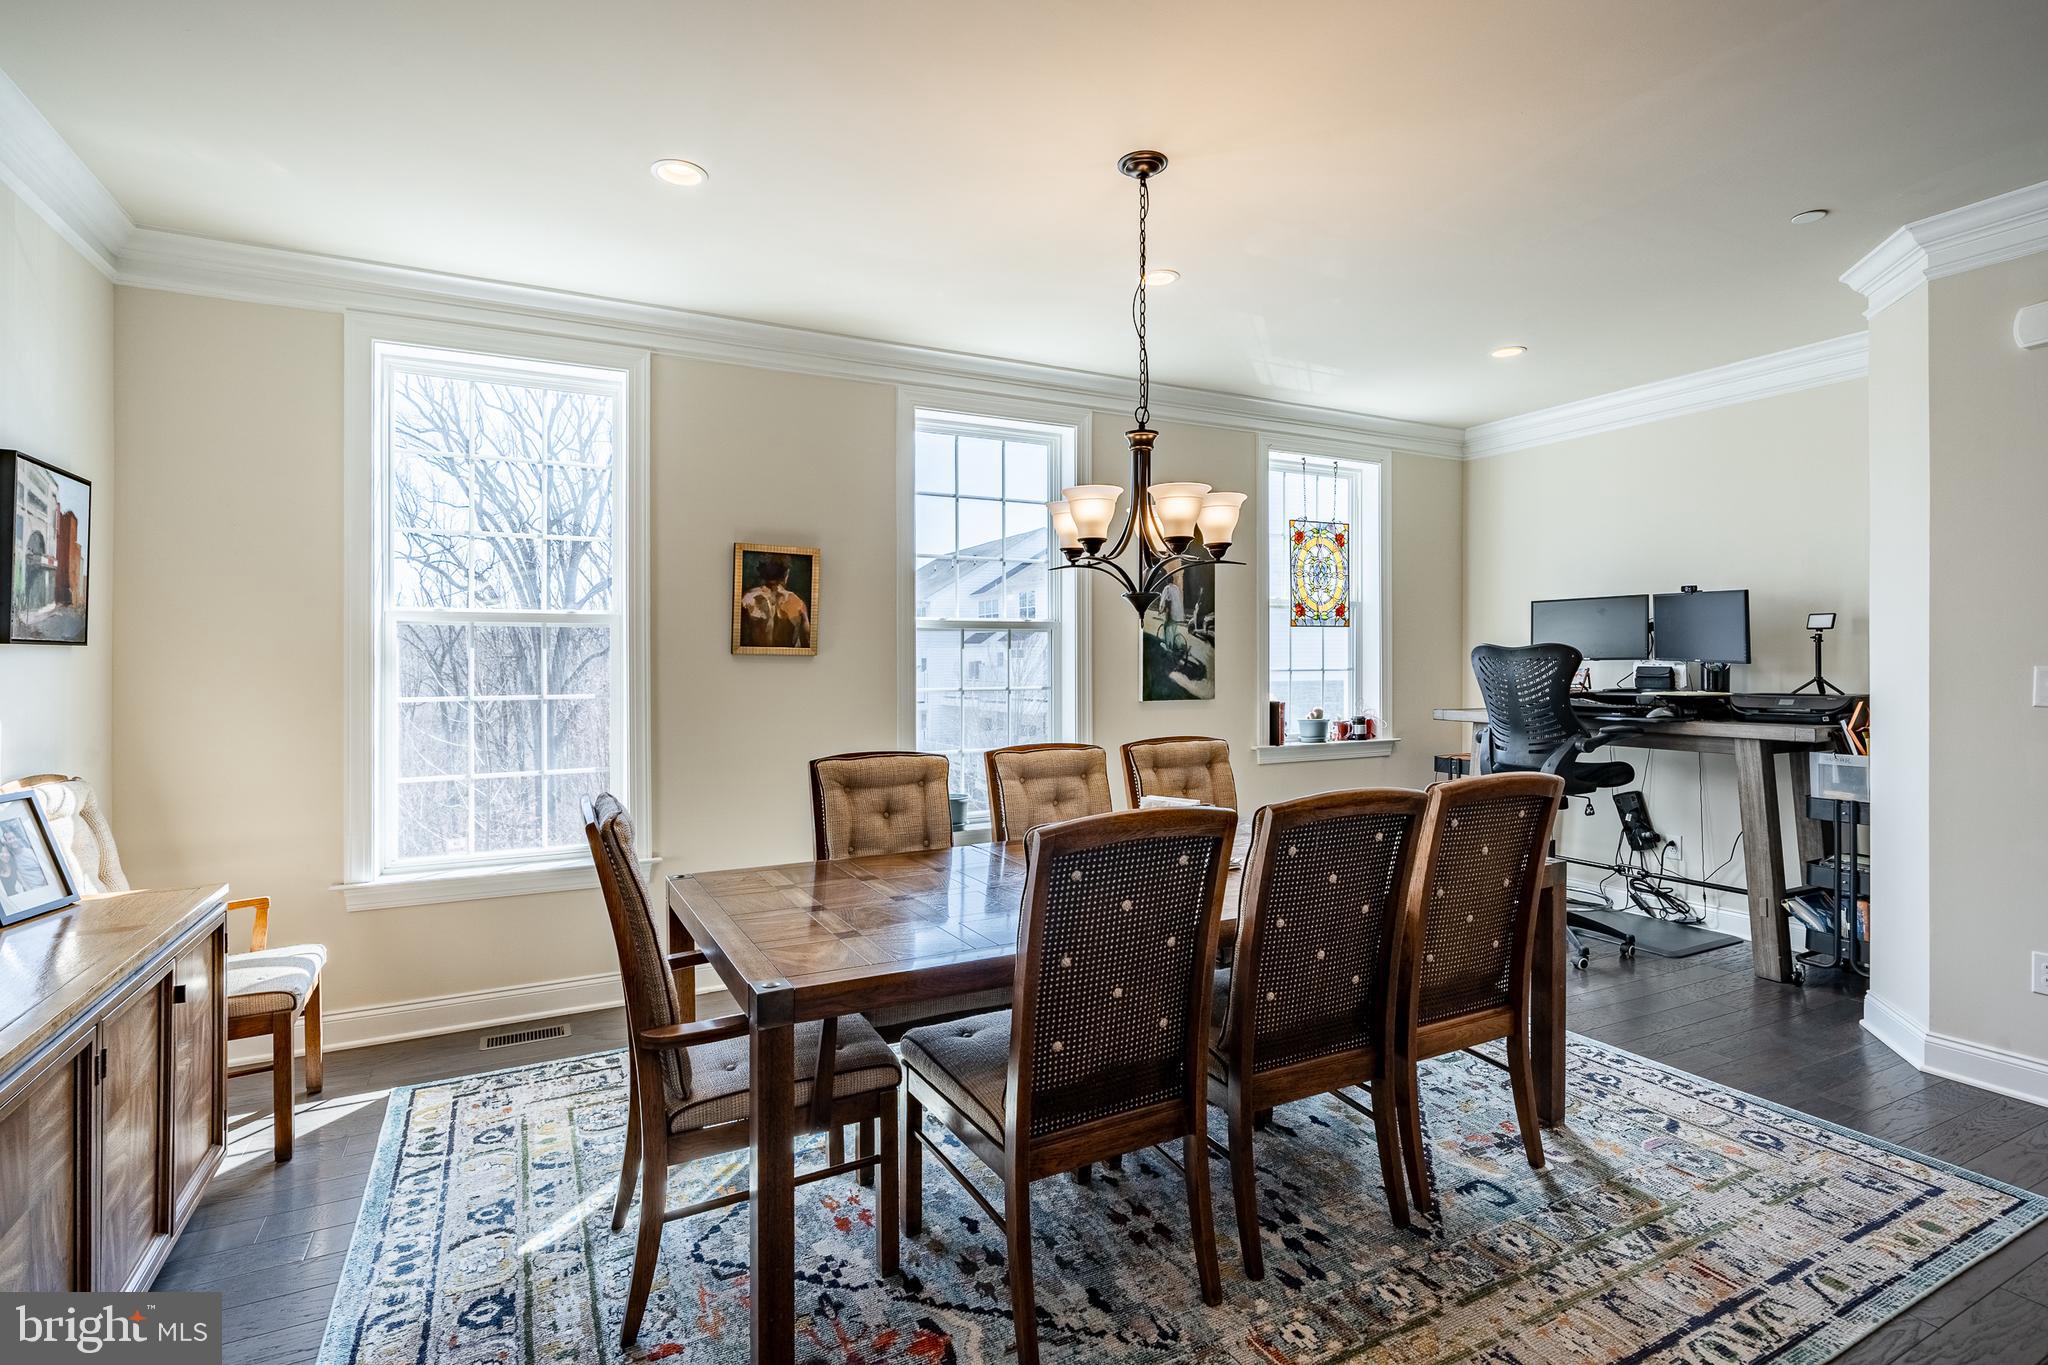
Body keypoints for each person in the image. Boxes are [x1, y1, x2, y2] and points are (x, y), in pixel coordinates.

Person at [739, 554, 812, 650]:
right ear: (786, 574)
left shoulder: (747, 599)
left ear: (761, 572)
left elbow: (739, 639)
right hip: (787, 661)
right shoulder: (798, 603)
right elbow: (808, 644)